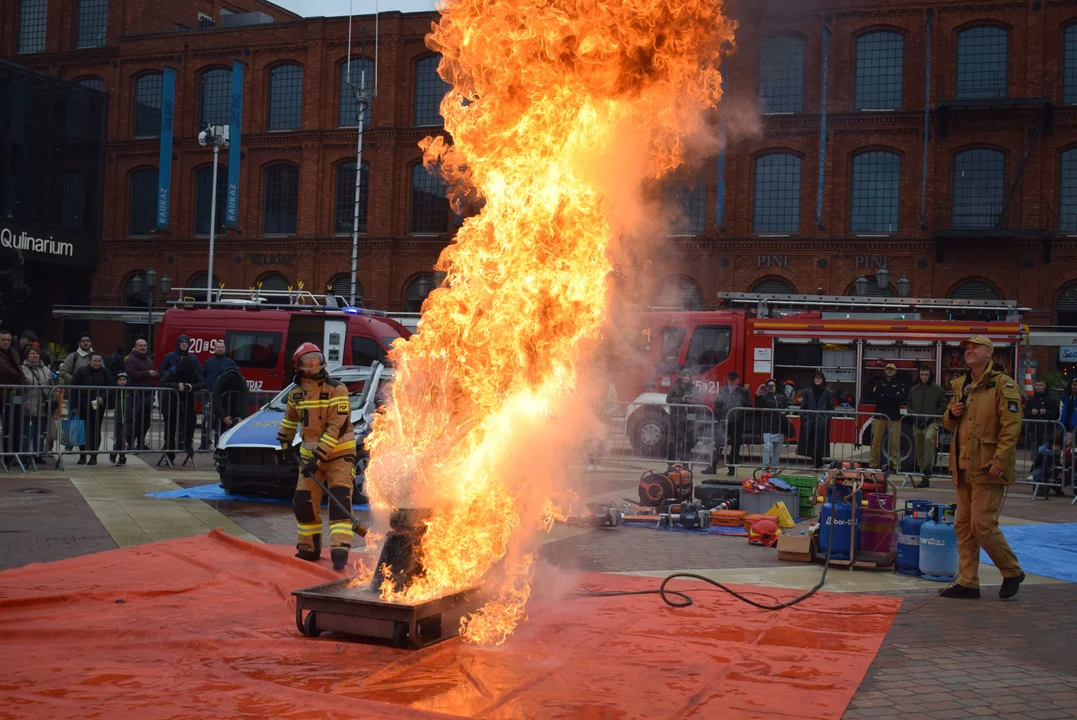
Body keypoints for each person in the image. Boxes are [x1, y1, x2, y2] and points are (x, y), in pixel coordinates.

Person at [939, 335, 1025, 600]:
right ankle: (968, 581)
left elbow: (1011, 426)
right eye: (966, 348)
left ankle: (1011, 570)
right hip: (963, 466)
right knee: (963, 526)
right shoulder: (963, 385)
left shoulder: (1002, 384)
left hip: (987, 467)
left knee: (982, 525)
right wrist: (951, 414)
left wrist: (1000, 460)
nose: (969, 350)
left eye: (975, 347)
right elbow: (948, 423)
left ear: (989, 353)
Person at [277, 343, 358, 571]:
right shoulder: (296, 394)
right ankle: (309, 548)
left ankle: (339, 549)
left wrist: (319, 456)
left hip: (339, 455)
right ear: (299, 366)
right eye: (307, 362)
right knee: (303, 501)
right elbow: (291, 419)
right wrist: (285, 441)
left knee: (340, 499)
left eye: (315, 360)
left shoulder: (337, 389)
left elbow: (337, 426)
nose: (312, 365)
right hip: (309, 457)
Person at [702, 371, 752, 476]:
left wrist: (739, 416)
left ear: (737, 380)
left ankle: (732, 468)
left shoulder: (743, 392)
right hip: (723, 422)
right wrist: (721, 417)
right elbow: (717, 405)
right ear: (727, 379)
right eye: (730, 379)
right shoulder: (722, 391)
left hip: (736, 423)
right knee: (718, 444)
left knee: (735, 446)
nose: (732, 381)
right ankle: (712, 467)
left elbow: (748, 406)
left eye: (734, 379)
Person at [159, 355, 204, 463]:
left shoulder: (193, 372)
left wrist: (191, 386)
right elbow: (162, 383)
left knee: (190, 422)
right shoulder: (173, 371)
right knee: (170, 427)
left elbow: (203, 383)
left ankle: (188, 444)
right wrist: (176, 385)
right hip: (171, 403)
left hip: (187, 403)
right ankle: (169, 452)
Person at [70, 353, 113, 465]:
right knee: (83, 430)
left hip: (98, 406)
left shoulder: (105, 372)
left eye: (99, 361)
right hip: (83, 405)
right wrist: (73, 406)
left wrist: (103, 397)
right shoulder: (81, 371)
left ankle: (94, 456)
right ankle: (82, 455)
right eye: (95, 361)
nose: (97, 363)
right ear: (90, 361)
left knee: (95, 430)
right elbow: (73, 389)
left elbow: (110, 388)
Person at [908, 366, 947, 488]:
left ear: (930, 375)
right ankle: (924, 477)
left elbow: (943, 404)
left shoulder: (938, 389)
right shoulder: (914, 390)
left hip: (932, 421)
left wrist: (933, 415)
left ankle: (928, 466)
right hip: (917, 422)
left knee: (929, 438)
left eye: (926, 374)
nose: (924, 377)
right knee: (919, 450)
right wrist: (912, 414)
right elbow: (909, 405)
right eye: (922, 374)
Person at [1024, 379, 1061, 496]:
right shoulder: (1031, 400)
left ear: (1045, 387)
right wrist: (1031, 412)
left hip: (1047, 431)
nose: (1038, 387)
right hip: (1034, 430)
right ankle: (1035, 473)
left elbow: (1056, 414)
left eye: (1040, 385)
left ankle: (1044, 476)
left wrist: (1047, 413)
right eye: (1036, 385)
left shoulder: (1051, 400)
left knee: (1045, 454)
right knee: (1035, 453)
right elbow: (1025, 412)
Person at [869, 363, 906, 472]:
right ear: (885, 371)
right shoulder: (879, 383)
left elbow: (900, 397)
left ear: (895, 372)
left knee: (895, 443)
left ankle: (896, 466)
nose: (889, 371)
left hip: (894, 418)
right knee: (875, 441)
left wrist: (884, 395)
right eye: (888, 369)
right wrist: (891, 396)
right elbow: (875, 397)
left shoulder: (899, 384)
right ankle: (873, 464)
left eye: (892, 370)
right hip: (879, 416)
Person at [199, 340, 237, 449]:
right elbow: (202, 376)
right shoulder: (208, 362)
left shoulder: (230, 363)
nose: (220, 349)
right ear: (214, 349)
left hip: (224, 398)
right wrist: (205, 386)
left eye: (222, 347)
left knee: (222, 423)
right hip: (209, 397)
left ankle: (220, 444)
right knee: (206, 421)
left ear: (225, 349)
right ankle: (204, 444)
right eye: (218, 347)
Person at [20, 347, 56, 462]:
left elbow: (52, 384)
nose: (35, 356)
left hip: (43, 405)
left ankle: (38, 454)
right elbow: (27, 382)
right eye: (32, 354)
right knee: (28, 432)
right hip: (28, 403)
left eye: (37, 354)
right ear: (27, 356)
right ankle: (25, 454)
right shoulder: (22, 369)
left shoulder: (46, 369)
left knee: (40, 433)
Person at [796, 371, 835, 469]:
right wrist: (805, 418)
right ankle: (816, 461)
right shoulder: (807, 392)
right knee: (809, 442)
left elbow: (831, 408)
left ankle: (818, 462)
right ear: (813, 379)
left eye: (819, 378)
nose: (818, 380)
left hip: (821, 423)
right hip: (810, 422)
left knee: (820, 443)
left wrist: (825, 419)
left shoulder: (828, 393)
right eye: (816, 378)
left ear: (822, 379)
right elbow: (803, 407)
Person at [124, 339, 158, 451]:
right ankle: (130, 444)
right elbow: (132, 374)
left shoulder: (148, 359)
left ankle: (141, 442)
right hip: (135, 394)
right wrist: (147, 373)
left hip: (147, 394)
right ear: (135, 346)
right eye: (140, 345)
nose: (143, 347)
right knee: (134, 420)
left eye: (144, 345)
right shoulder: (130, 359)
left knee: (145, 421)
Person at [664, 367, 697, 465]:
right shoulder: (675, 386)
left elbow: (700, 401)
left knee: (688, 441)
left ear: (690, 377)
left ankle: (685, 463)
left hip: (689, 418)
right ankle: (671, 464)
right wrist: (681, 400)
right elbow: (668, 399)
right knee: (673, 441)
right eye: (684, 376)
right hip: (676, 417)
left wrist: (693, 401)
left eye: (687, 376)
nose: (686, 378)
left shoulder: (693, 388)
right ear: (681, 377)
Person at [0, 329, 25, 459]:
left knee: (13, 425)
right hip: (2, 393)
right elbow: (5, 368)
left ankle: (12, 454)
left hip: (14, 394)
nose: (5, 342)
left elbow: (19, 366)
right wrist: (19, 375)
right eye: (3, 340)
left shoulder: (14, 352)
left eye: (8, 340)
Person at [212, 365, 249, 441]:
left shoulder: (242, 380)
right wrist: (223, 416)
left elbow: (244, 399)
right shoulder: (219, 380)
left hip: (235, 404)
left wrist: (241, 416)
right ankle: (218, 445)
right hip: (223, 402)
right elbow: (216, 398)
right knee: (220, 429)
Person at [755, 378, 785, 469]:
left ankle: (774, 470)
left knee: (777, 450)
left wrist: (785, 412)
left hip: (780, 427)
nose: (772, 387)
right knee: (767, 449)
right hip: (768, 427)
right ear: (766, 387)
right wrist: (758, 393)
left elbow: (787, 406)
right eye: (769, 385)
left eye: (773, 385)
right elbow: (757, 405)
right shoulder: (763, 397)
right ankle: (765, 469)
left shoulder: (781, 397)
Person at [110, 371, 131, 466]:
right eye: (120, 380)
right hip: (118, 418)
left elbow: (137, 402)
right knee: (119, 437)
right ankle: (118, 454)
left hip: (128, 419)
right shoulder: (115, 391)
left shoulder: (131, 390)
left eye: (124, 380)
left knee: (122, 436)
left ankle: (119, 455)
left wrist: (134, 413)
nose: (122, 382)